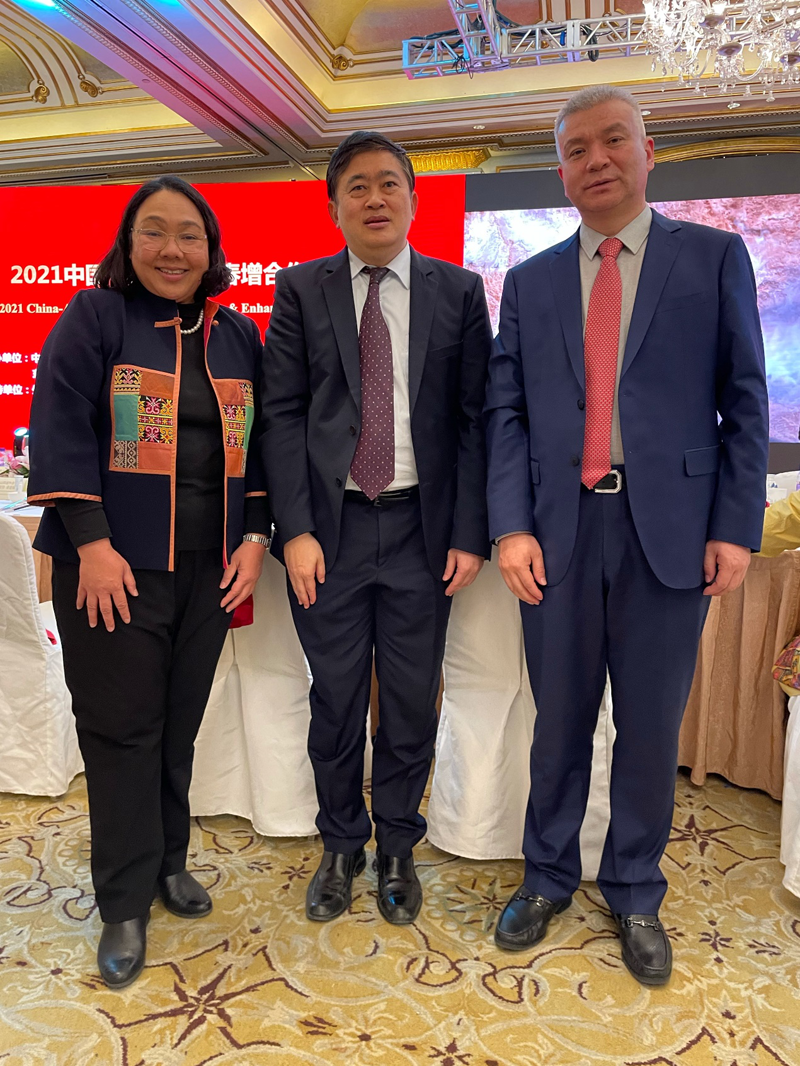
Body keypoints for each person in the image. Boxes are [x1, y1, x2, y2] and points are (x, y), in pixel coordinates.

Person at [485, 85, 769, 985]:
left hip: (670, 535)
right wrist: (510, 526)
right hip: (559, 533)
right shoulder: (529, 282)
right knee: (558, 722)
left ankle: (636, 889)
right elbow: (506, 414)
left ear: (650, 153)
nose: (597, 160)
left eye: (614, 141)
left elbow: (745, 401)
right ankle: (546, 876)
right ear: (560, 171)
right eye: (577, 149)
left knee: (649, 729)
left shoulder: (713, 257)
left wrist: (735, 526)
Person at [27, 176, 270, 989]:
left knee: (176, 726)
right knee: (121, 732)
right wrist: (93, 544)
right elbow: (59, 427)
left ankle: (169, 860)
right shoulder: (96, 318)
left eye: (189, 235)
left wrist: (256, 539)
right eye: (155, 232)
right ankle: (124, 900)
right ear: (128, 245)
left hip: (209, 569)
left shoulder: (237, 335)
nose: (173, 249)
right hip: (113, 570)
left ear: (211, 250)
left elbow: (259, 449)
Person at [262, 131, 492, 925]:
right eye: (356, 186)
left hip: (423, 533)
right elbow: (281, 415)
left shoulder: (458, 291)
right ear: (334, 206)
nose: (374, 198)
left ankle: (397, 843)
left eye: (389, 183)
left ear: (414, 199)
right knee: (333, 699)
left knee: (409, 700)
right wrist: (294, 528)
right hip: (330, 534)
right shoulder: (300, 289)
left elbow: (475, 420)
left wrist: (469, 531)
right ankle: (341, 843)